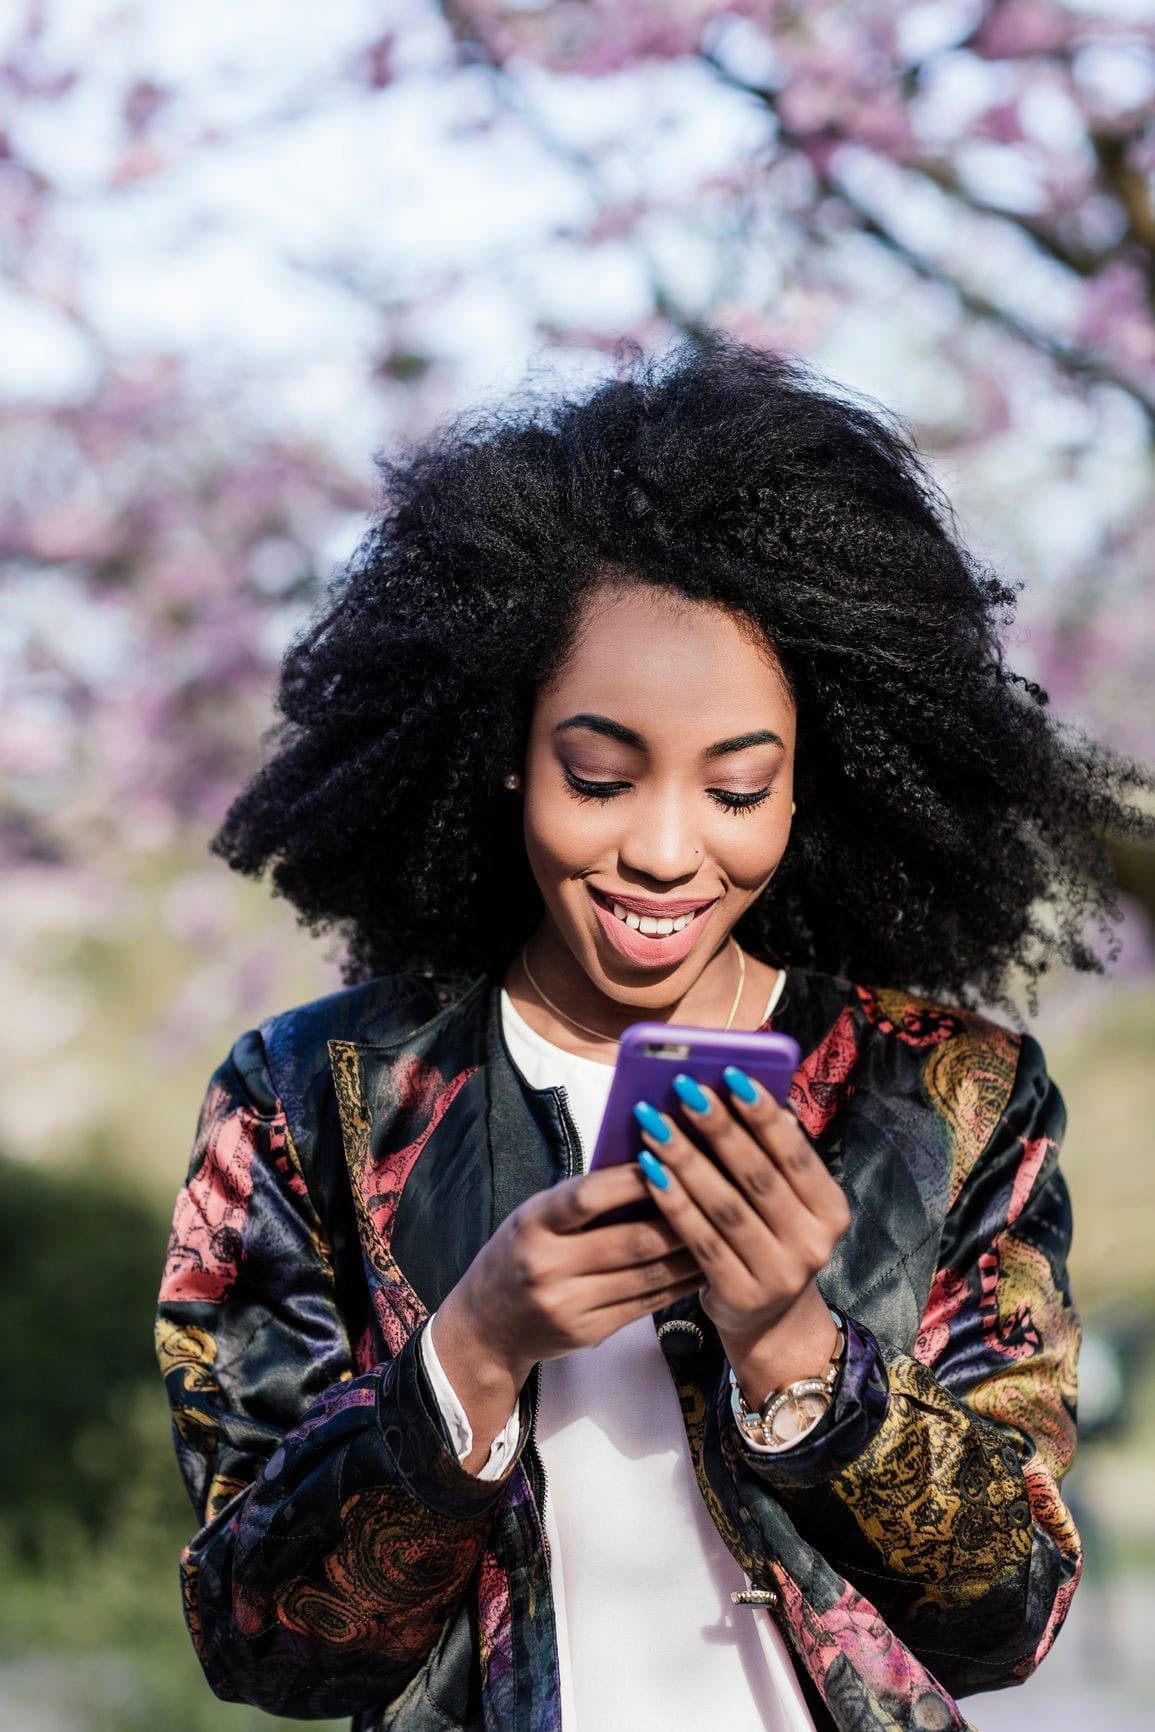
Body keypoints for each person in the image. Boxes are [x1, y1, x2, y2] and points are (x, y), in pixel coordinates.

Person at [155, 336, 1152, 1732]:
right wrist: (479, 1343)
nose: (667, 851)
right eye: (602, 777)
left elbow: (1013, 1611)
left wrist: (797, 1352)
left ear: (819, 784)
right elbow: (262, 1641)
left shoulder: (951, 1097)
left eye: (738, 790)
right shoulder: (307, 1100)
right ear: (512, 748)